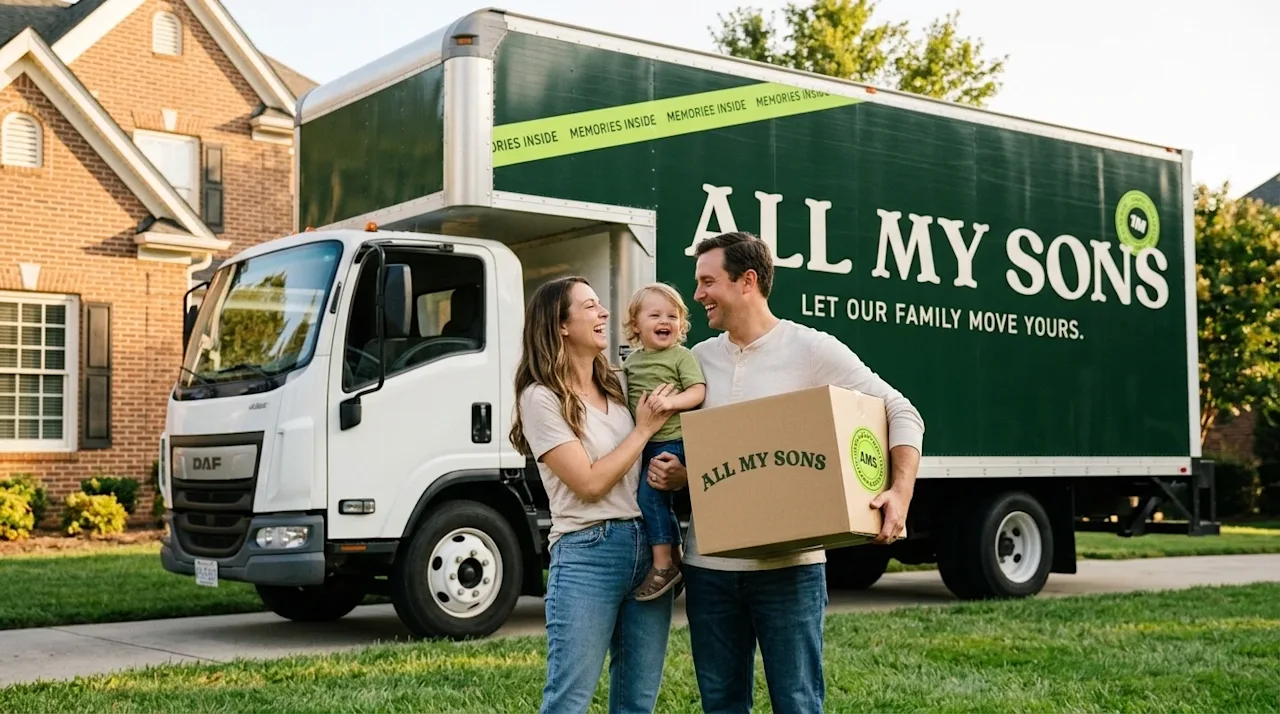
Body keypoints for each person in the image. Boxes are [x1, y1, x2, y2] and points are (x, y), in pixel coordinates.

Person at [645, 232, 926, 713]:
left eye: (708, 281)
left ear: (747, 281)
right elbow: (727, 461)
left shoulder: (811, 349)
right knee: (721, 704)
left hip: (790, 571)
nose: (697, 295)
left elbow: (902, 411)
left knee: (797, 703)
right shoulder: (698, 361)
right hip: (709, 570)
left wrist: (898, 491)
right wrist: (681, 475)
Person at [508, 275, 678, 714]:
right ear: (560, 325)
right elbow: (587, 483)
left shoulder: (619, 387)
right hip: (588, 553)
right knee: (569, 701)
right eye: (590, 307)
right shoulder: (541, 398)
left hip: (647, 550)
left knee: (637, 703)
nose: (604, 314)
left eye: (600, 305)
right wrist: (643, 431)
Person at [621, 283, 707, 601]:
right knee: (660, 503)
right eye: (655, 315)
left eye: (672, 316)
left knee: (650, 499)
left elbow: (697, 391)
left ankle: (662, 567)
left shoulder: (681, 357)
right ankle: (675, 557)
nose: (665, 321)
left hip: (672, 440)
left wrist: (671, 404)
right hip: (645, 443)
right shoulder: (631, 362)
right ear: (635, 326)